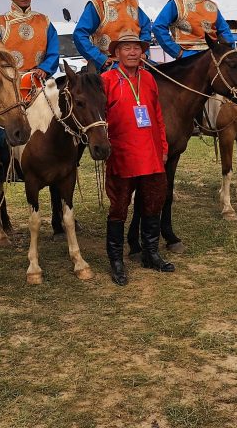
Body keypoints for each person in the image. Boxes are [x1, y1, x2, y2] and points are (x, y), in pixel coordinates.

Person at [101, 31, 172, 286]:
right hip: (122, 153)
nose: (132, 52)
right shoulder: (106, 80)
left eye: (136, 47)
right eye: (126, 48)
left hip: (151, 153)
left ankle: (151, 253)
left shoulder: (149, 78)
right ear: (117, 53)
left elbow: (157, 115)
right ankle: (117, 261)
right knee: (119, 207)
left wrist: (163, 146)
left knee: (153, 202)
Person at [0, 0, 60, 183]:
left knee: (61, 113)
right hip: (10, 82)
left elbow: (53, 51)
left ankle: (61, 159)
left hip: (39, 79)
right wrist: (8, 74)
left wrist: (45, 68)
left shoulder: (44, 21)